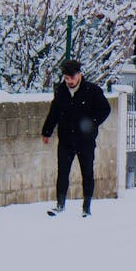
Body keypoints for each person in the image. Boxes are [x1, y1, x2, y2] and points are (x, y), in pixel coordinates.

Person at [41, 59, 112, 218]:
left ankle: (86, 207)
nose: (70, 82)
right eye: (66, 78)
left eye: (72, 78)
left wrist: (92, 123)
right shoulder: (61, 91)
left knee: (87, 172)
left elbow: (105, 109)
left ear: (79, 75)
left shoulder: (92, 91)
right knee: (63, 171)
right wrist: (47, 131)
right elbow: (55, 112)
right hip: (66, 138)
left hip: (85, 140)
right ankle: (60, 204)